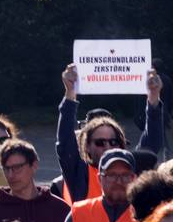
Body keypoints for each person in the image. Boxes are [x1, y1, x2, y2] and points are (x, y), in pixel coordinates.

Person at [58, 65, 163, 202]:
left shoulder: (132, 167)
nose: (107, 147)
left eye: (114, 142)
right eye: (100, 142)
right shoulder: (79, 173)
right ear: (87, 146)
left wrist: (153, 97)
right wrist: (70, 92)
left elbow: (151, 143)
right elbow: (65, 141)